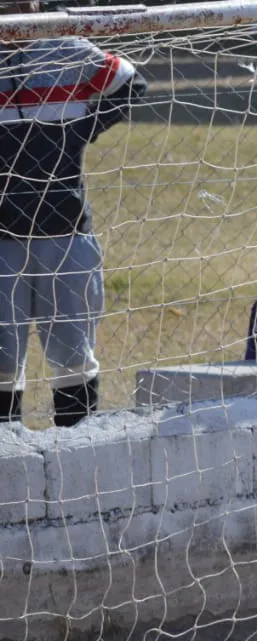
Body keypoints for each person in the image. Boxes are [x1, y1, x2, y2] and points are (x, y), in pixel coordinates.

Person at [0, 0, 147, 426]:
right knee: (2, 361)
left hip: (65, 230)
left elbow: (130, 82)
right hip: (2, 237)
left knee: (71, 355)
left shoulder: (65, 48)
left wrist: (79, 128)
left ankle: (76, 451)